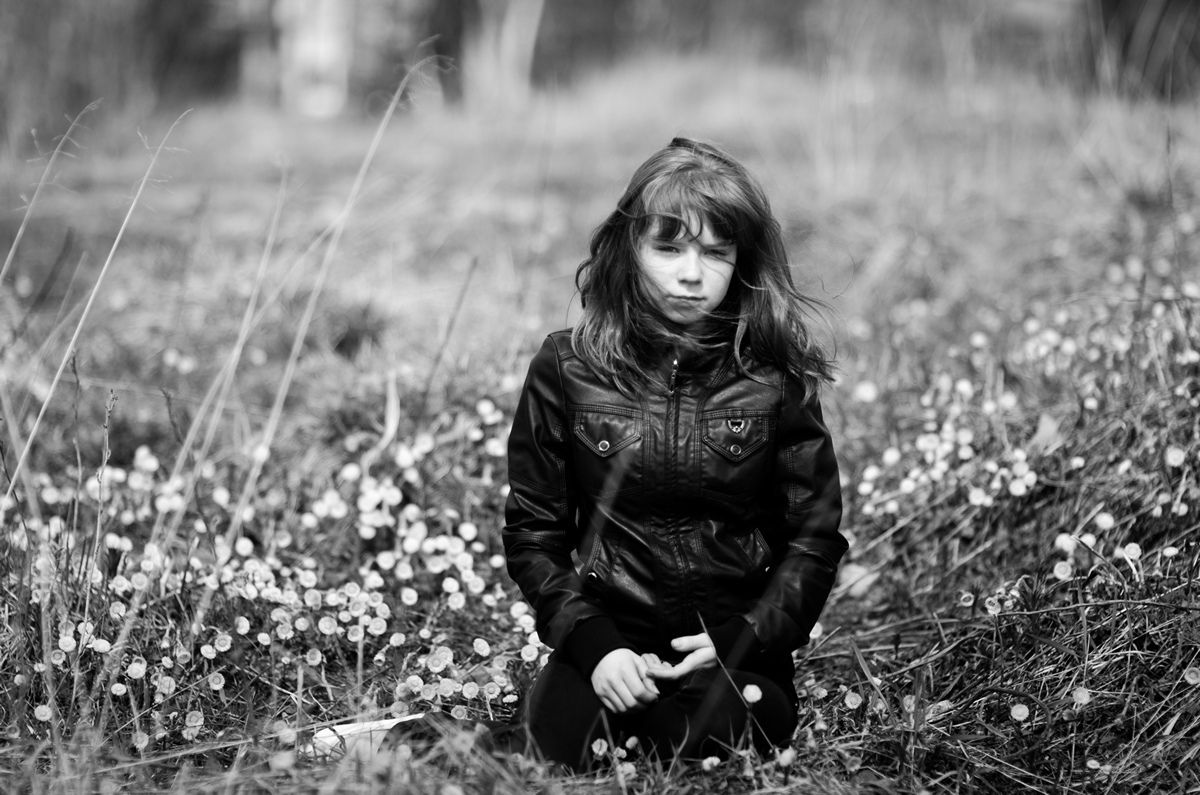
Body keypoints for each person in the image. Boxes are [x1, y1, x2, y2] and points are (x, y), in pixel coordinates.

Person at [502, 137, 847, 770]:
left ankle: (657, 737)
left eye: (716, 253)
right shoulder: (567, 367)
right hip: (612, 646)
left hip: (733, 656)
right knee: (555, 741)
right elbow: (533, 533)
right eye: (668, 248)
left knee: (731, 725)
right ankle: (410, 734)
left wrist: (744, 638)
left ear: (742, 262)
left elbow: (814, 538)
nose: (692, 274)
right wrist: (595, 646)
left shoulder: (773, 378)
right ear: (628, 249)